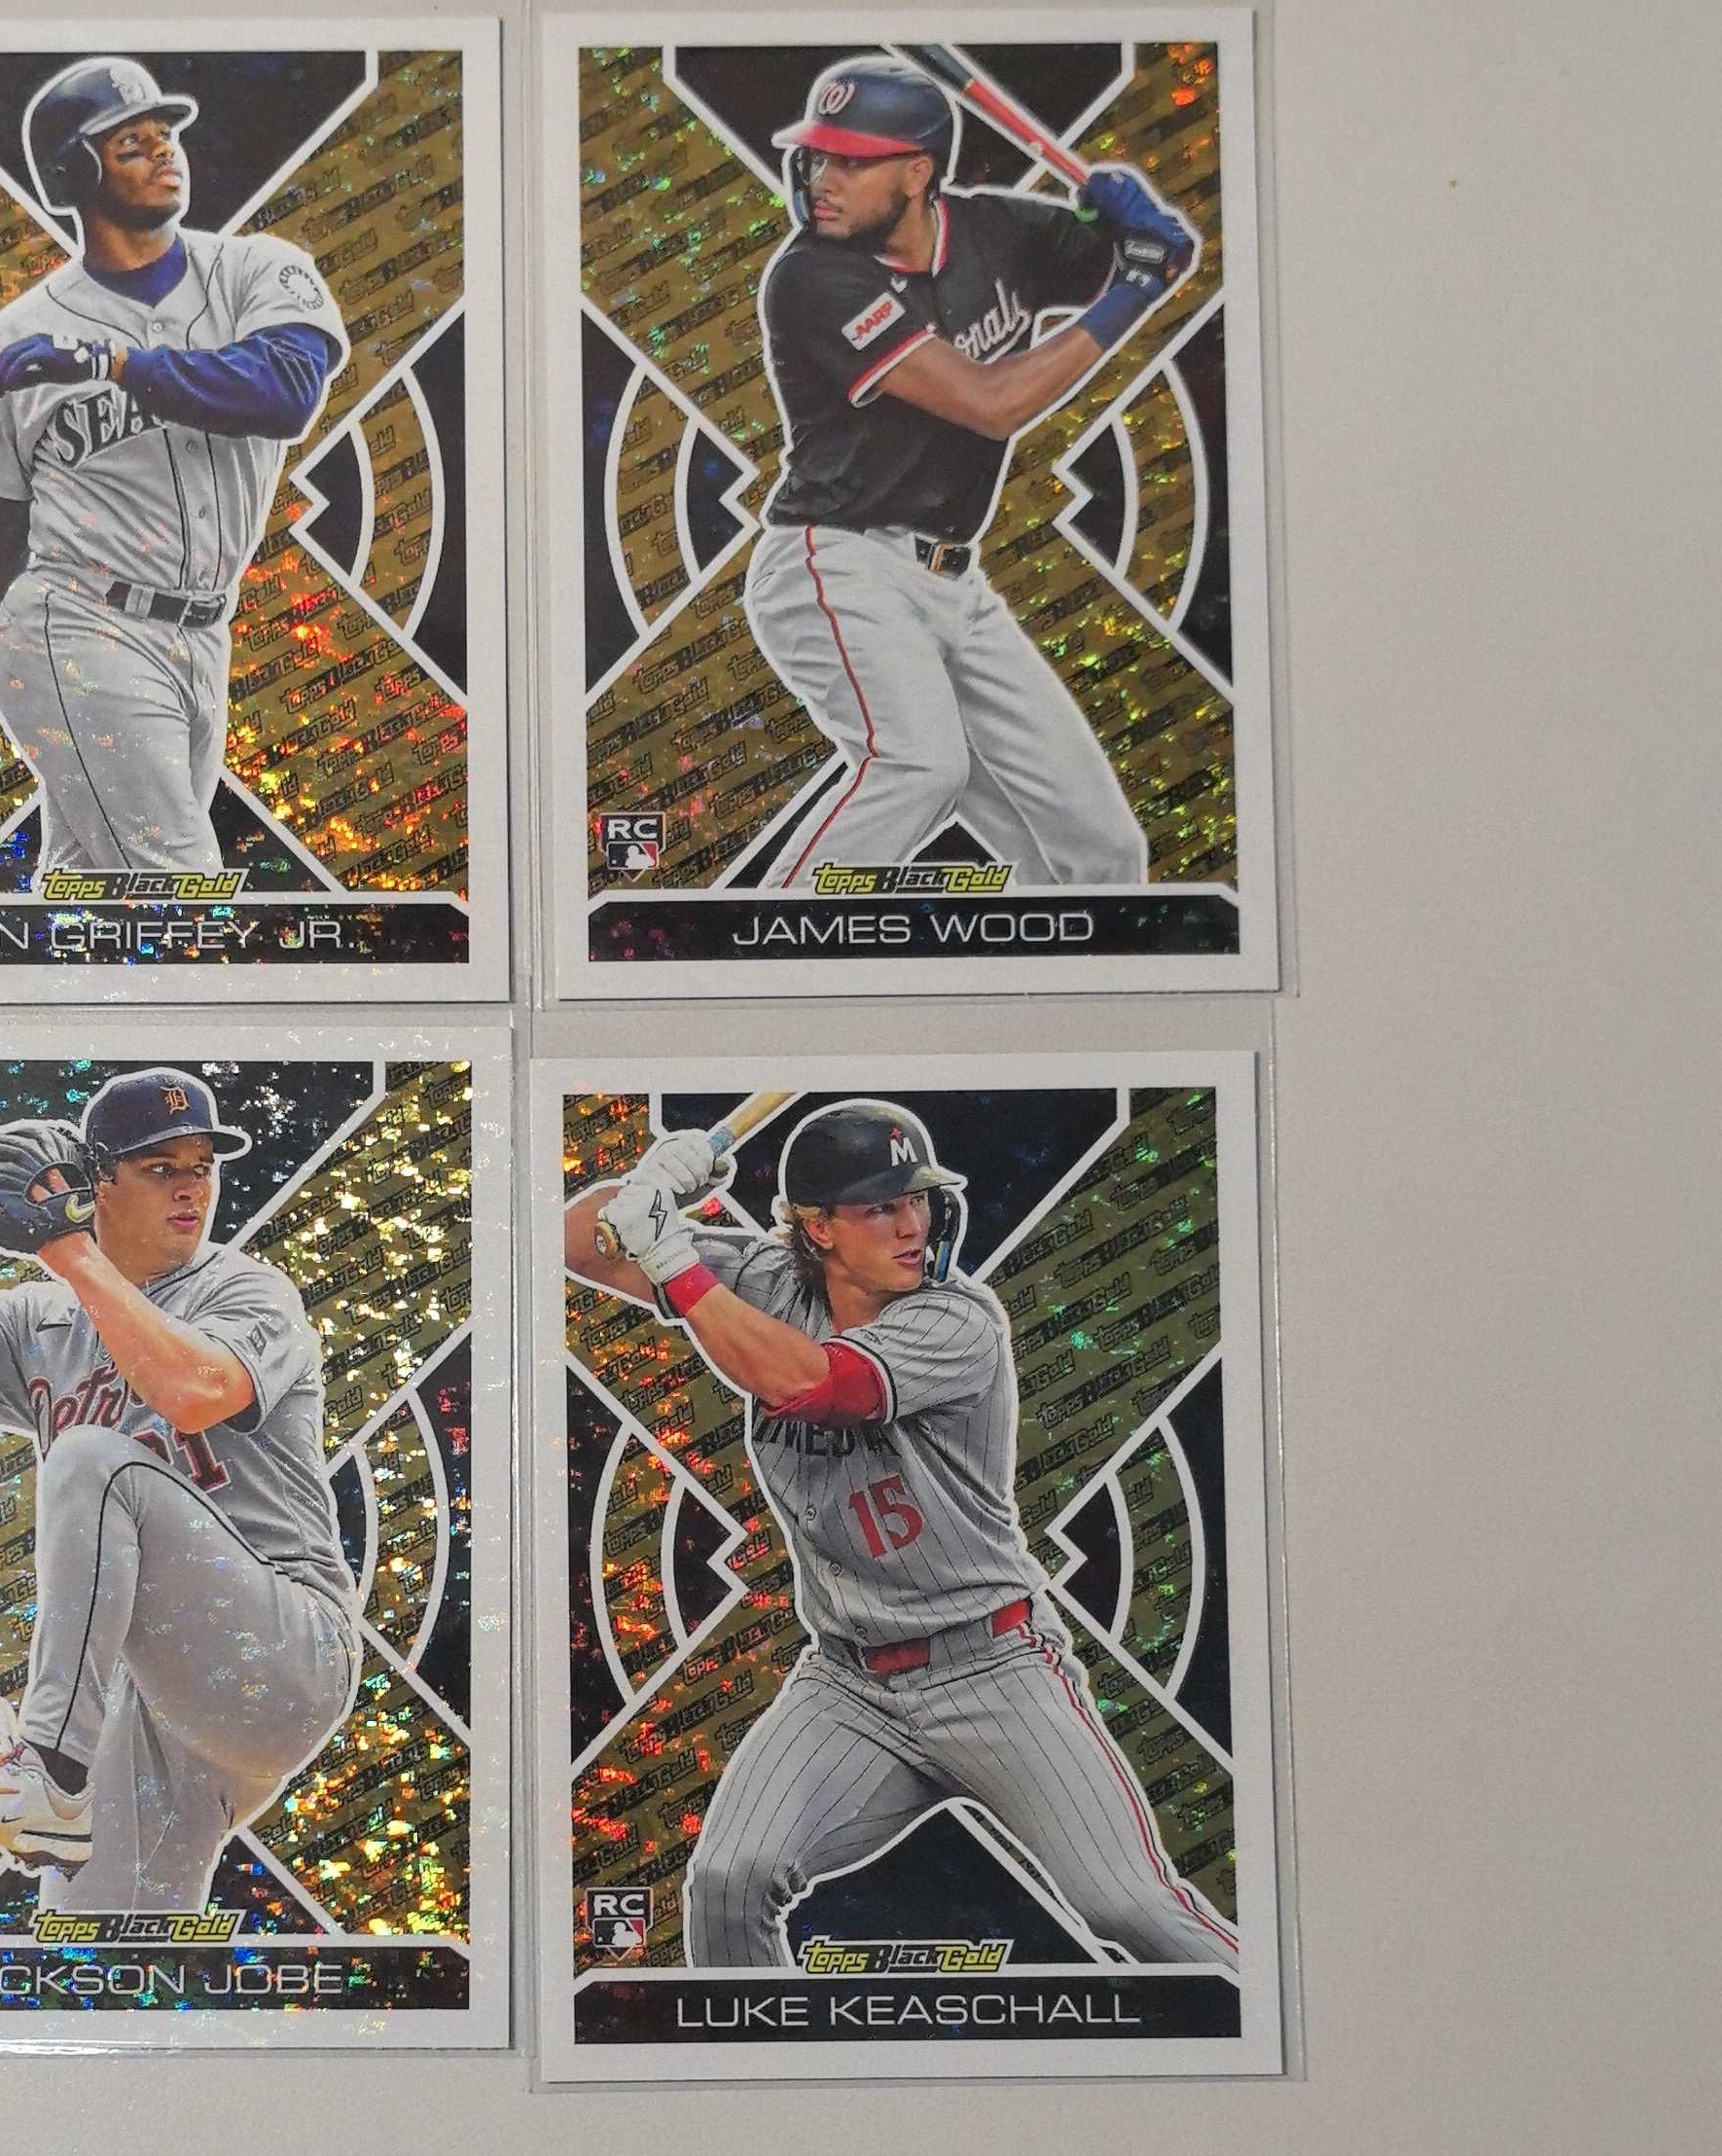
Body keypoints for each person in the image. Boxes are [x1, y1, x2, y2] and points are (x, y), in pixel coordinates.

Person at [565, 1099, 1237, 1967]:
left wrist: (674, 1259)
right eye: (881, 1207)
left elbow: (812, 1386)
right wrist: (650, 1185)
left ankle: (1265, 2018)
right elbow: (576, 1243)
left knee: (1130, 1907)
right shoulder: (771, 1281)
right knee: (730, 1879)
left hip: (992, 1668)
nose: (913, 1224)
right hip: (849, 1685)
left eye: (917, 1199)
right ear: (817, 1228)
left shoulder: (957, 1321)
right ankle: (761, 2052)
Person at [0, 1066, 358, 1913]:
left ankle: (46, 1770)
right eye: (160, 1168)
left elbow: (195, 1392)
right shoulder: (40, 1319)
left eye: (201, 1166)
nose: (191, 1188)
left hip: (280, 1650)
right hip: (147, 1701)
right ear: (97, 1183)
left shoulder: (245, 1288)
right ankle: (56, 1792)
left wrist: (65, 1245)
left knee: (90, 1459)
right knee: (99, 1937)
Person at [0, 55, 348, 872]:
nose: (164, 151)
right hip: (78, 629)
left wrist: (112, 364)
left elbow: (284, 392)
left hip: (203, 638)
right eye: (131, 143)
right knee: (176, 886)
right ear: (75, 172)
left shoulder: (257, 271)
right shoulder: (23, 331)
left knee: (94, 898)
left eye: (165, 135)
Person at [745, 55, 1198, 889]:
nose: (822, 180)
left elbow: (1125, 259)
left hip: (958, 585)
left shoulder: (995, 230)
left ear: (917, 173)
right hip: (836, 560)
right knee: (921, 765)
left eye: (852, 160)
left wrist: (1133, 230)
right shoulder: (813, 277)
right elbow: (991, 403)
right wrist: (1134, 290)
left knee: (1102, 853)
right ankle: (772, 934)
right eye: (818, 157)